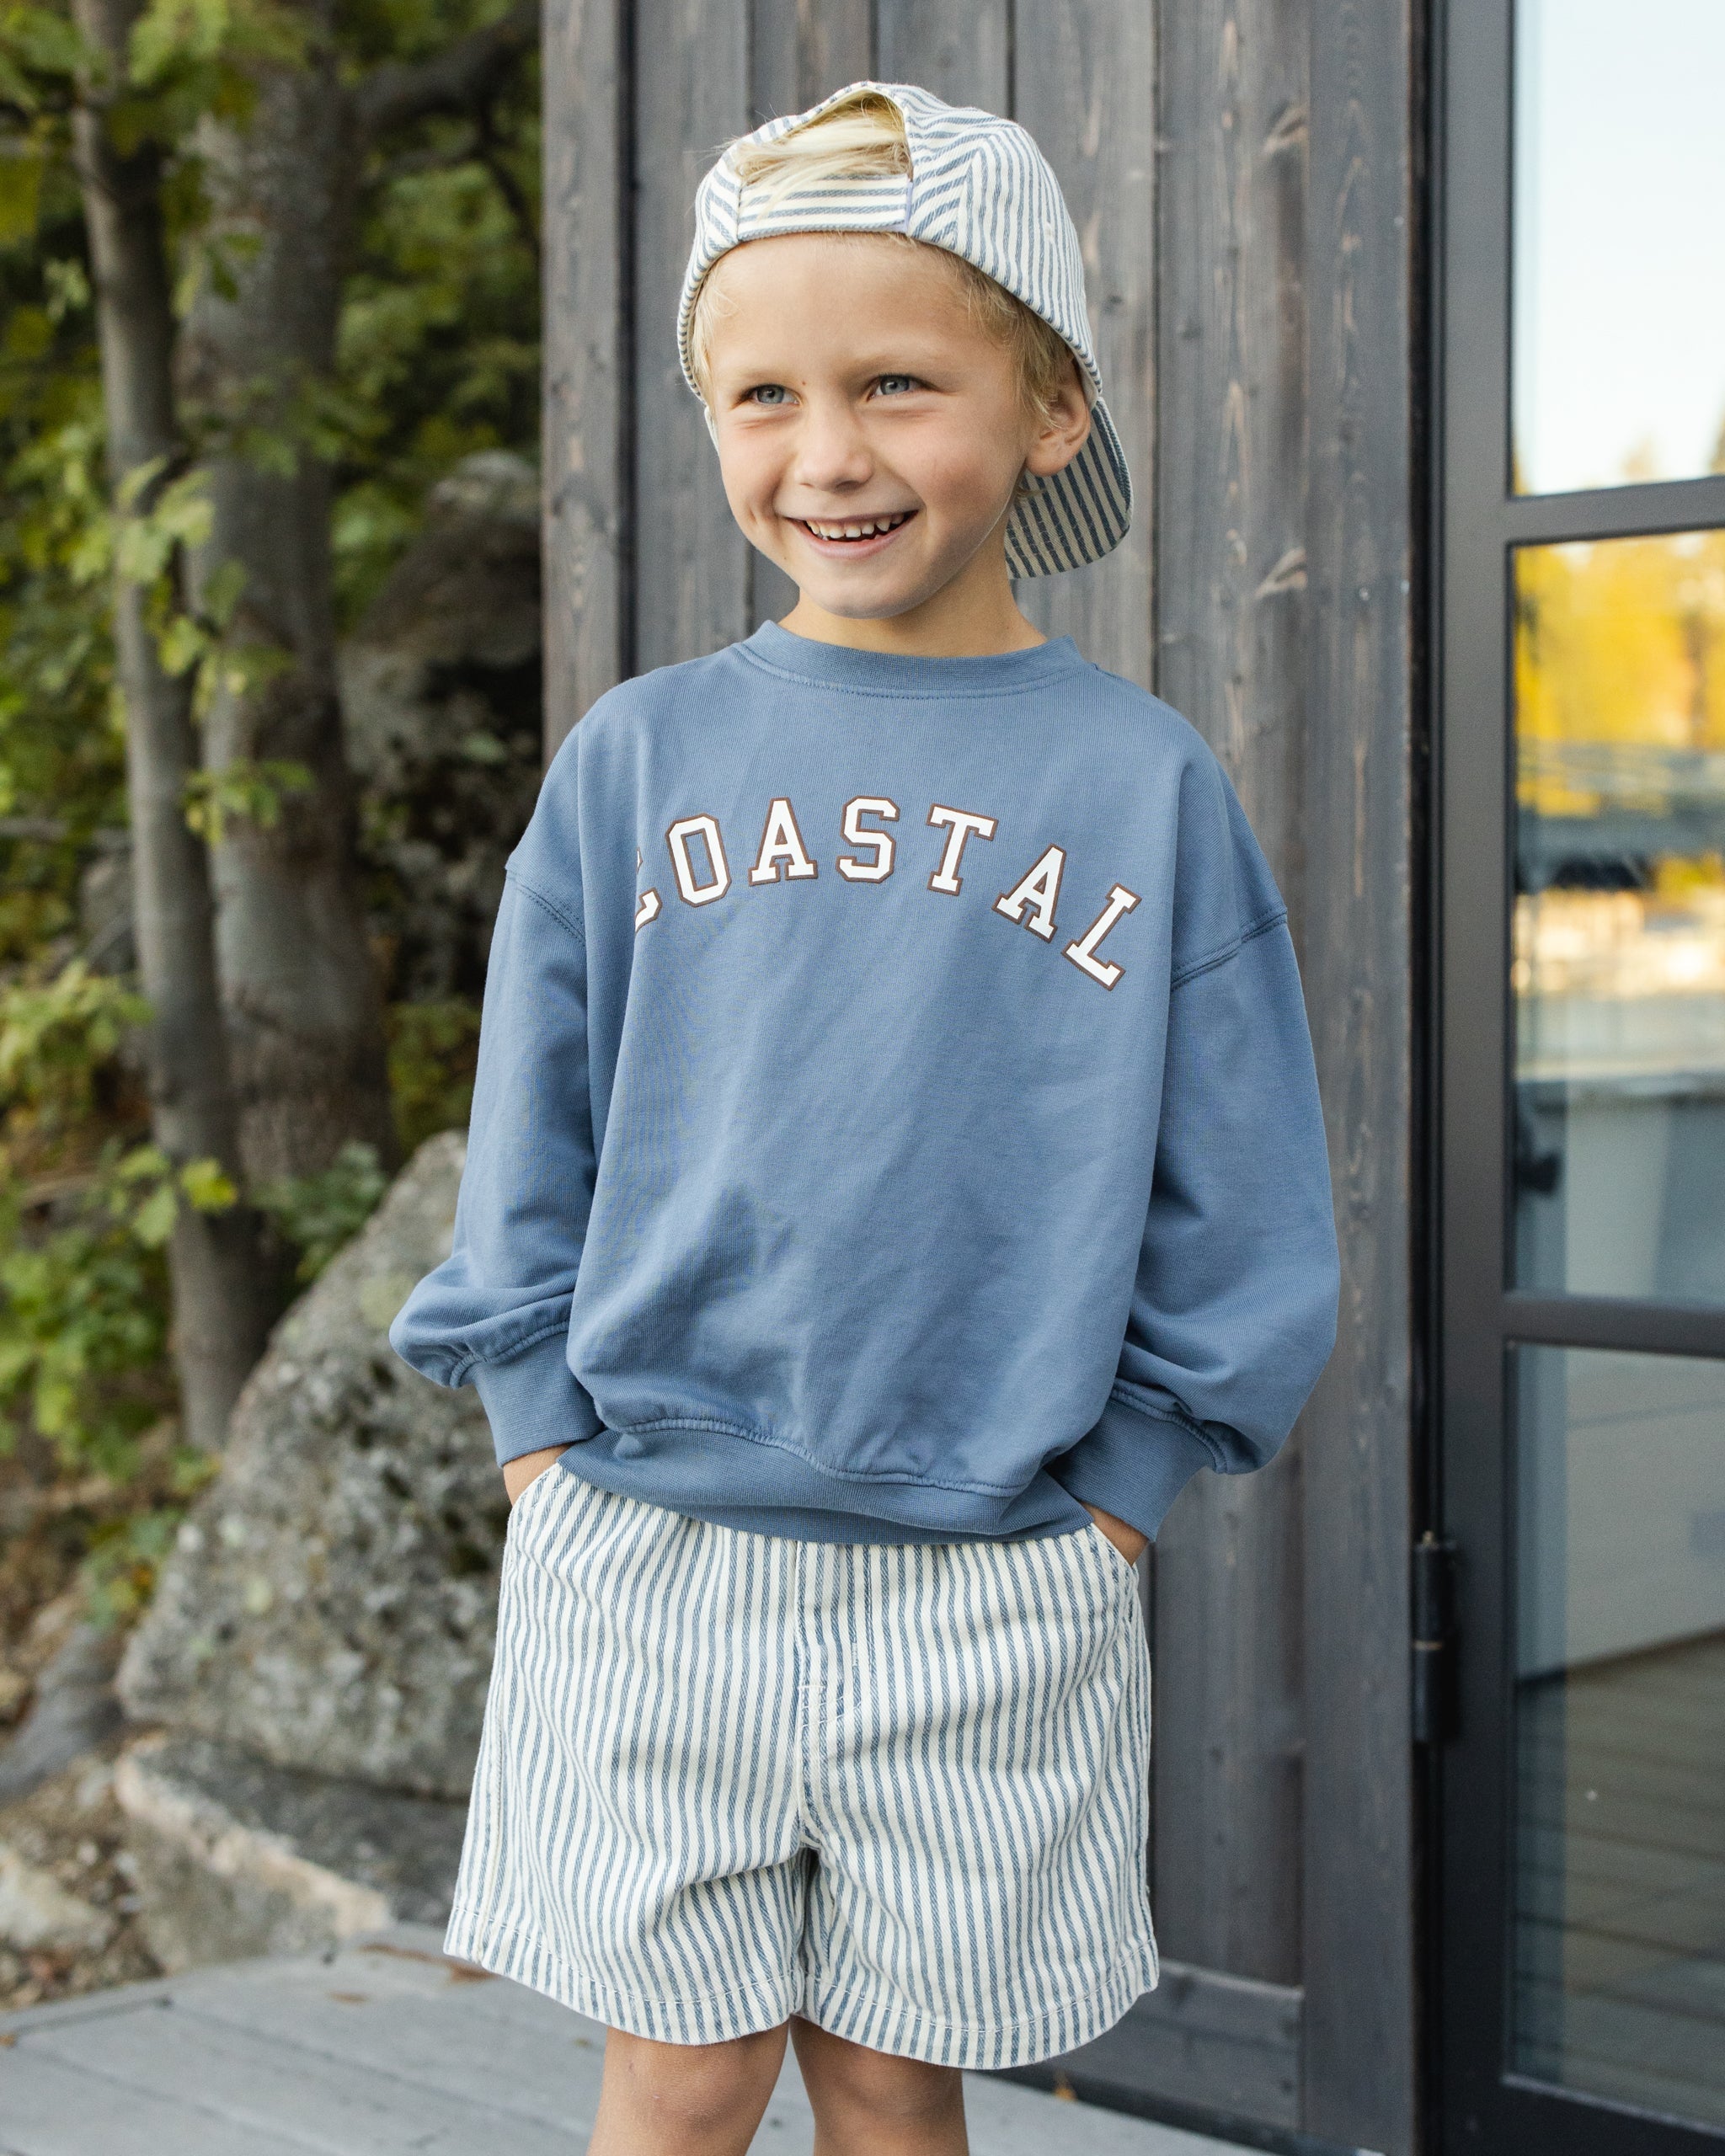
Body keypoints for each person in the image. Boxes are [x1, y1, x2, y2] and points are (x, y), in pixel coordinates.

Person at [390, 80, 1339, 2156]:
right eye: (763, 397)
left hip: (1000, 1568)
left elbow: (1240, 1192)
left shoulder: (1143, 784)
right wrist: (541, 1436)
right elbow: (530, 1118)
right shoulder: (637, 763)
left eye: (897, 381)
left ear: (1050, 404)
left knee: (899, 2072)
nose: (826, 455)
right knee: (680, 2067)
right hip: (647, 1549)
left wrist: (1119, 1488)